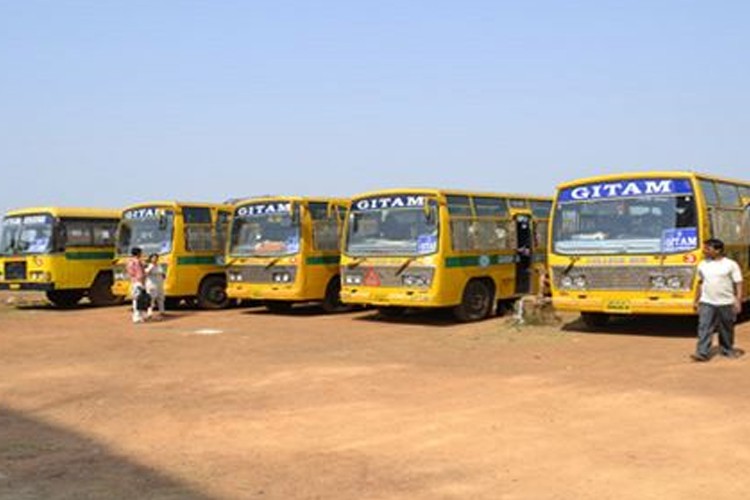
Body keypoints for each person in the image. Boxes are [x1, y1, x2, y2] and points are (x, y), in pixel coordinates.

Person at [691, 238, 744, 362]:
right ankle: (702, 353)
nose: (704, 251)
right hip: (707, 302)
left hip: (726, 302)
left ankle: (727, 349)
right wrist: (696, 300)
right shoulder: (702, 264)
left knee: (726, 328)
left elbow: (738, 283)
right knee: (704, 327)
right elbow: (699, 283)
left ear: (718, 250)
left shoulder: (730, 264)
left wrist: (738, 300)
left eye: (708, 249)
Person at [125, 247, 146, 323]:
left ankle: (139, 316)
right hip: (138, 282)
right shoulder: (137, 262)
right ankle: (137, 317)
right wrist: (142, 280)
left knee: (136, 299)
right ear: (138, 253)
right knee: (139, 299)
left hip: (133, 281)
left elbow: (130, 272)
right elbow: (140, 273)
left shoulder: (129, 261)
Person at [145, 253, 166, 319]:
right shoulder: (149, 265)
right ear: (150, 258)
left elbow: (163, 273)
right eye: (153, 258)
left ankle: (162, 311)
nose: (155, 259)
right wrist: (151, 267)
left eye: (156, 258)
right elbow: (146, 273)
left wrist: (163, 276)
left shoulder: (159, 265)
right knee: (151, 298)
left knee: (161, 298)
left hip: (159, 283)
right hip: (152, 284)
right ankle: (149, 313)